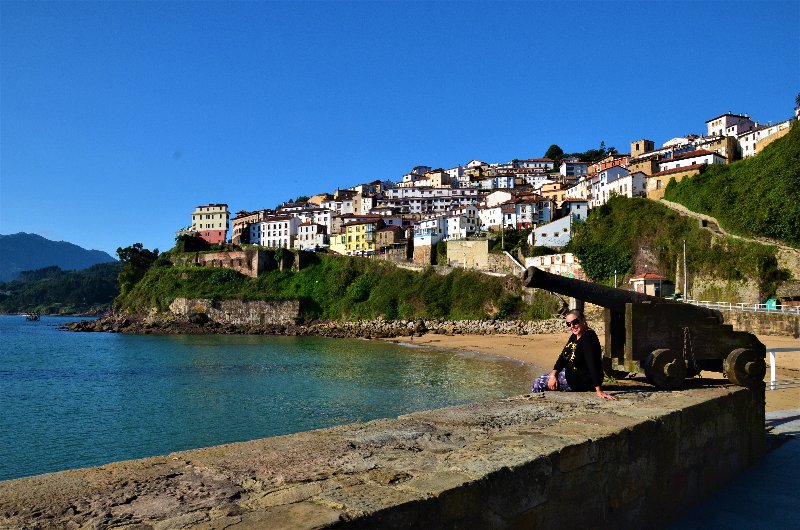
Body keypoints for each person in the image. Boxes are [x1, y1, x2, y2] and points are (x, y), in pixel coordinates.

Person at [531, 309, 617, 401]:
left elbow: (593, 363)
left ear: (583, 320)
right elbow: (563, 356)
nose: (572, 326)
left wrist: (598, 390)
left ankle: (536, 407)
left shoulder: (588, 338)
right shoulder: (575, 336)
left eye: (575, 322)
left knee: (538, 383)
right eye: (569, 324)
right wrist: (553, 374)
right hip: (571, 373)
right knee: (547, 380)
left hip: (581, 379)